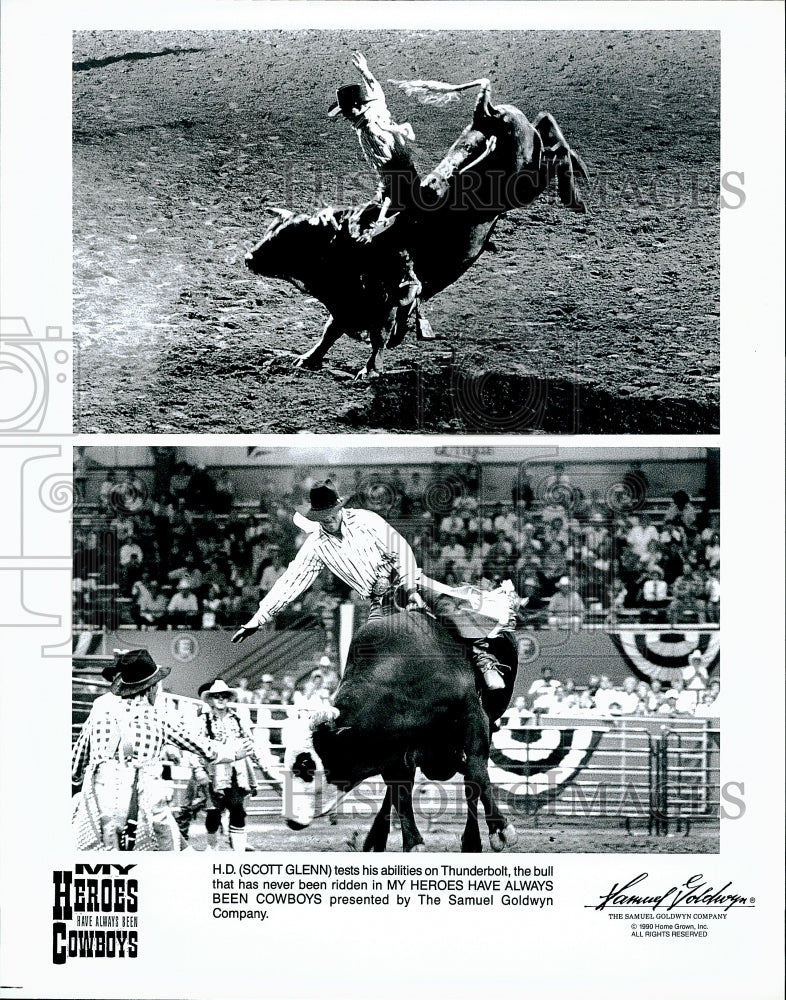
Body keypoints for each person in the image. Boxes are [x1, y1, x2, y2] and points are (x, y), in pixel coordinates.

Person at [233, 483, 509, 690]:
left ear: (339, 508)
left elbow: (400, 549)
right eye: (323, 515)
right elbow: (291, 580)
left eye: (331, 513)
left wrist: (411, 587)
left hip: (404, 580)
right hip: (378, 600)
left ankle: (482, 659)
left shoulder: (366, 520)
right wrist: (259, 619)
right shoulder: (316, 545)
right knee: (367, 648)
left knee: (445, 608)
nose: (328, 519)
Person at [71, 649, 224, 851]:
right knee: (164, 844)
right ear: (151, 687)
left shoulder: (100, 709)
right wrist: (229, 752)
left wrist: (79, 777)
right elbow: (200, 746)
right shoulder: (158, 716)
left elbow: (77, 761)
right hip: (144, 807)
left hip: (98, 807)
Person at [328, 51, 423, 310]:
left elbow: (388, 166)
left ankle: (409, 277)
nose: (345, 116)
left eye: (346, 111)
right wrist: (365, 70)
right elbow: (377, 90)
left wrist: (386, 200)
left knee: (382, 231)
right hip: (405, 174)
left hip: (399, 181)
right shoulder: (375, 105)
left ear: (356, 107)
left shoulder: (368, 131)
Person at [195, 679, 262, 853]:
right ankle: (212, 846)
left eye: (224, 696)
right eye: (216, 696)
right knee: (213, 813)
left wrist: (258, 760)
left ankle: (238, 851)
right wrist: (198, 769)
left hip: (236, 770)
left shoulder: (238, 719)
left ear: (228, 698)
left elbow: (250, 742)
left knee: (238, 808)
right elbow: (195, 746)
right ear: (210, 699)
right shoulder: (204, 720)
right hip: (214, 771)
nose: (220, 699)